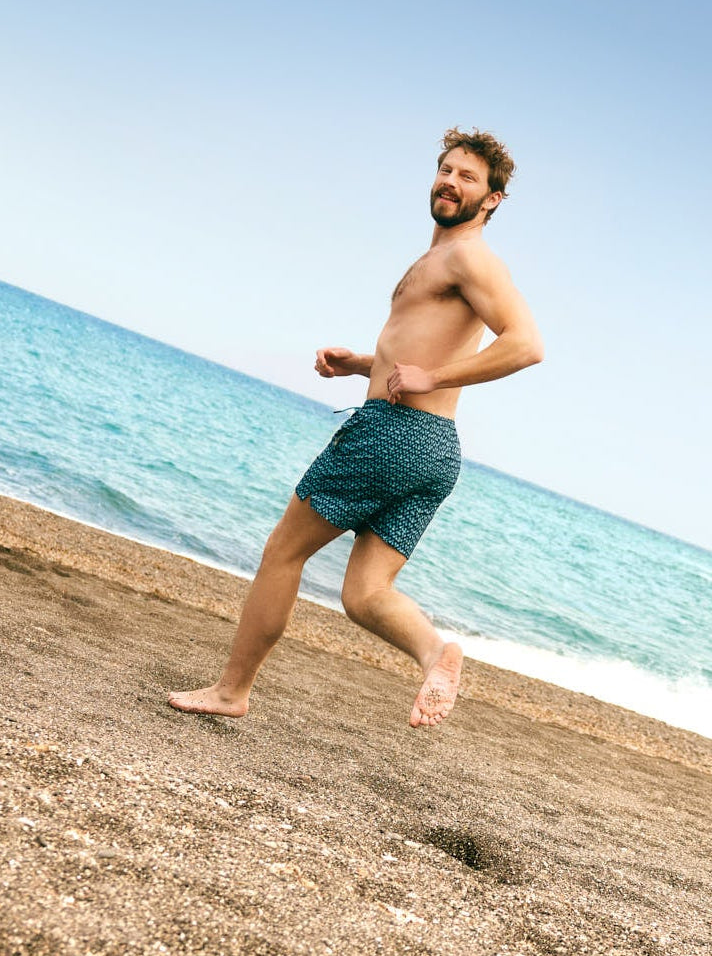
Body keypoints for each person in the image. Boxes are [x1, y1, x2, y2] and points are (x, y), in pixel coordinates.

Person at [168, 128, 543, 727]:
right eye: (446, 170)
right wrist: (365, 365)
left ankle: (231, 691)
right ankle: (435, 653)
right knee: (365, 594)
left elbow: (526, 345)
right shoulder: (441, 258)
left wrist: (430, 376)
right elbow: (418, 355)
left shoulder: (468, 257)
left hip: (392, 434)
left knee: (283, 553)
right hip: (434, 449)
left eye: (468, 177)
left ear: (492, 199)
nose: (450, 182)